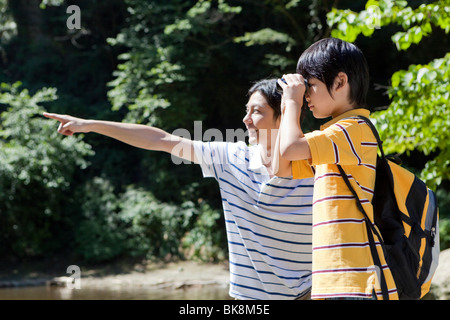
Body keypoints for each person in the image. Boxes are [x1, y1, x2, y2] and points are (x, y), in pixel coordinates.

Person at [44, 79, 314, 300]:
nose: (246, 119)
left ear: (284, 115)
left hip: (311, 294)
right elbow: (161, 139)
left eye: (257, 111)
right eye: (247, 110)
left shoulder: (317, 167)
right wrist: (89, 125)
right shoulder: (229, 158)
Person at [276, 38, 399, 300]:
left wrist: (293, 104)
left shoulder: (354, 130)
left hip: (354, 281)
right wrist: (287, 105)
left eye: (310, 86)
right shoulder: (334, 137)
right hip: (333, 281)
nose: (306, 95)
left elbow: (289, 149)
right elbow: (281, 166)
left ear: (340, 82)